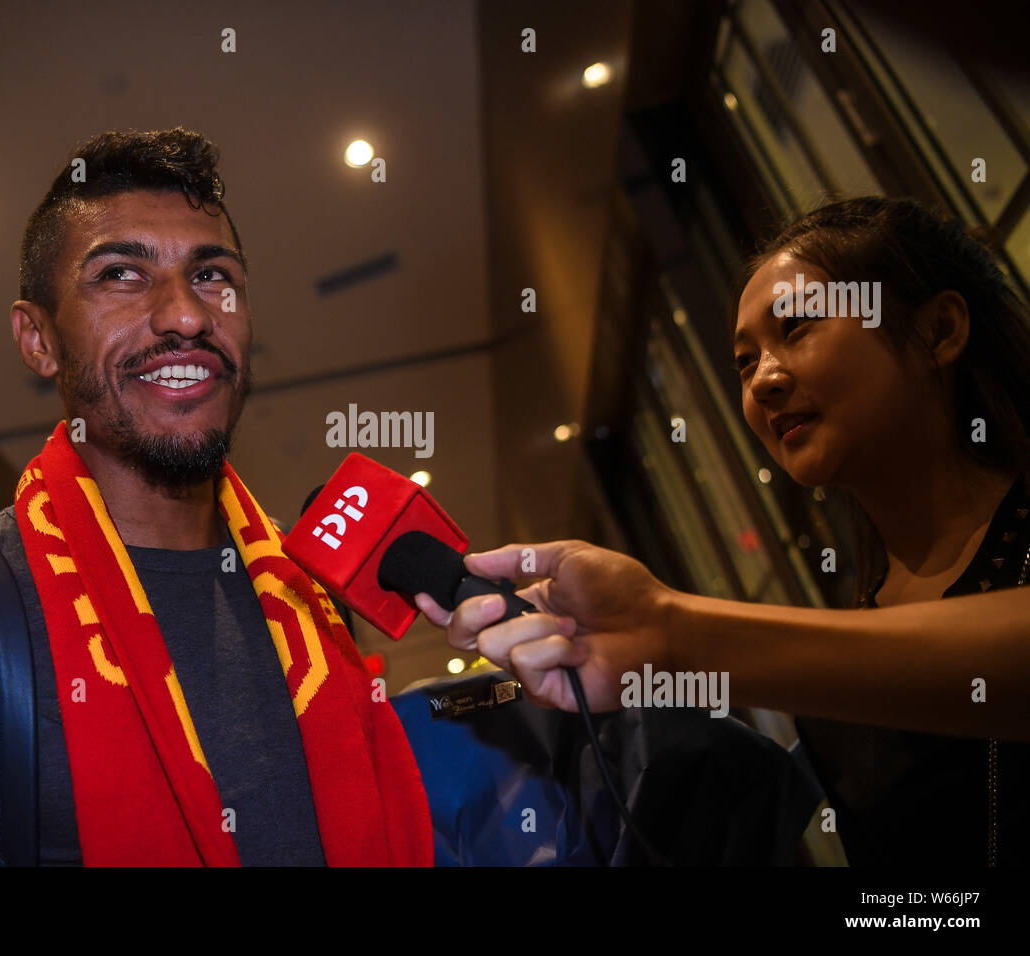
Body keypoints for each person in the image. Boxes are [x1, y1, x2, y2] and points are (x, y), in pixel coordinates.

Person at [0, 128, 433, 866]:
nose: (187, 316)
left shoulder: (312, 601)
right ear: (37, 340)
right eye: (121, 276)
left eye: (212, 275)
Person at [415, 197, 1030, 866]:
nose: (764, 379)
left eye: (797, 327)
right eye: (743, 362)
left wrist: (671, 632)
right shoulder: (865, 609)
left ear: (938, 330)